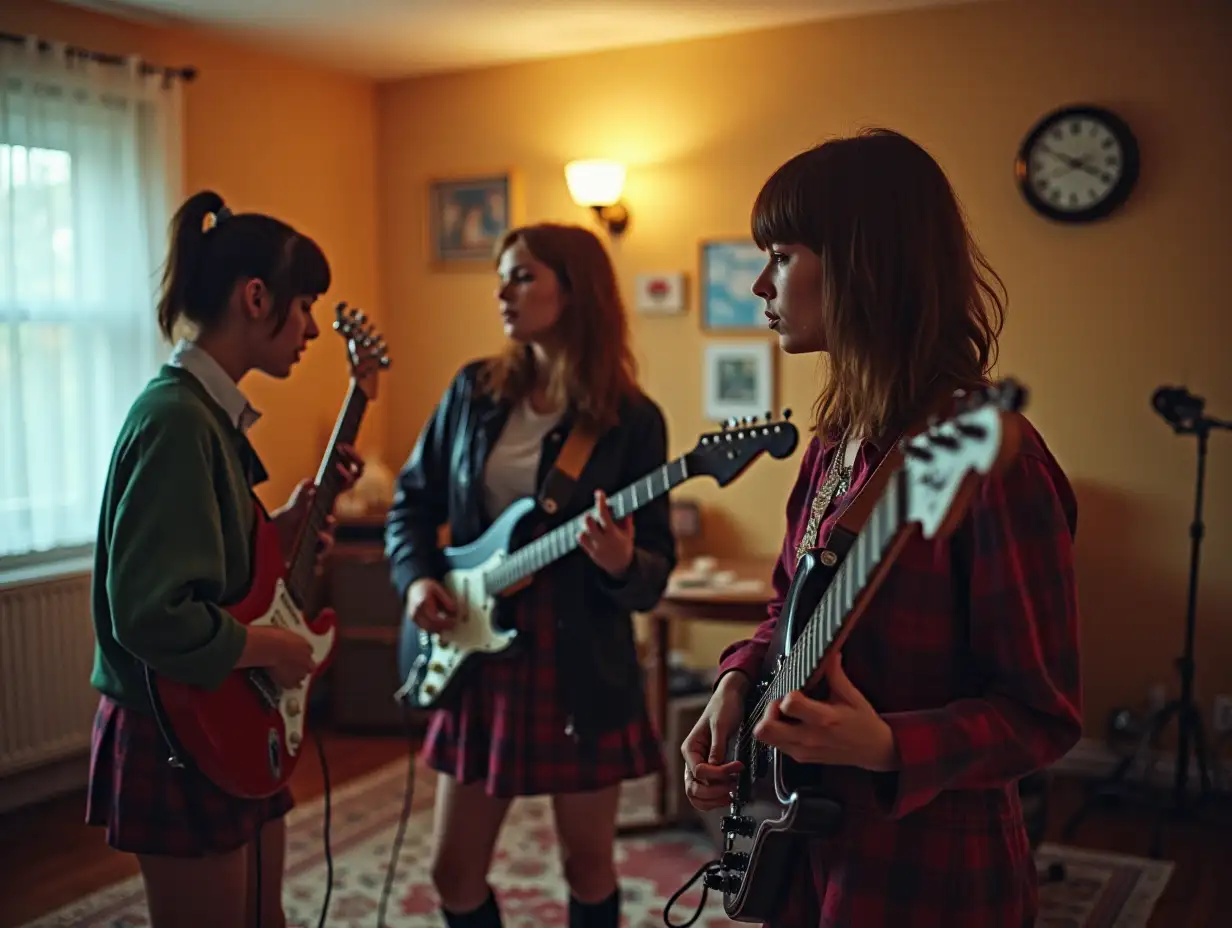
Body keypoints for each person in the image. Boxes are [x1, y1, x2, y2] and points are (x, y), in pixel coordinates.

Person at [681, 129, 1083, 928]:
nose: (761, 283)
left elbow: (1044, 715)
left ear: (865, 266)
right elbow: (786, 609)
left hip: (929, 870)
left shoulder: (991, 459)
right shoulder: (835, 442)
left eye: (784, 255)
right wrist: (732, 683)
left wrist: (887, 746)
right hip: (806, 851)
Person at [85, 190, 364, 928]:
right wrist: (274, 645)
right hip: (177, 723)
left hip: (221, 712)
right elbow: (150, 610)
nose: (309, 330)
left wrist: (280, 525)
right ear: (255, 296)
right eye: (303, 307)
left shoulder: (205, 415)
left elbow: (201, 557)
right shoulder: (176, 419)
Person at [385, 222, 676, 928]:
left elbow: (653, 571)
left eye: (522, 275)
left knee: (587, 865)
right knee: (453, 872)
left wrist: (620, 563)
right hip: (477, 648)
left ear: (574, 290)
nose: (502, 291)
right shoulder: (473, 392)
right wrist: (419, 581)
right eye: (502, 274)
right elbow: (412, 505)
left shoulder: (631, 421)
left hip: (577, 661)